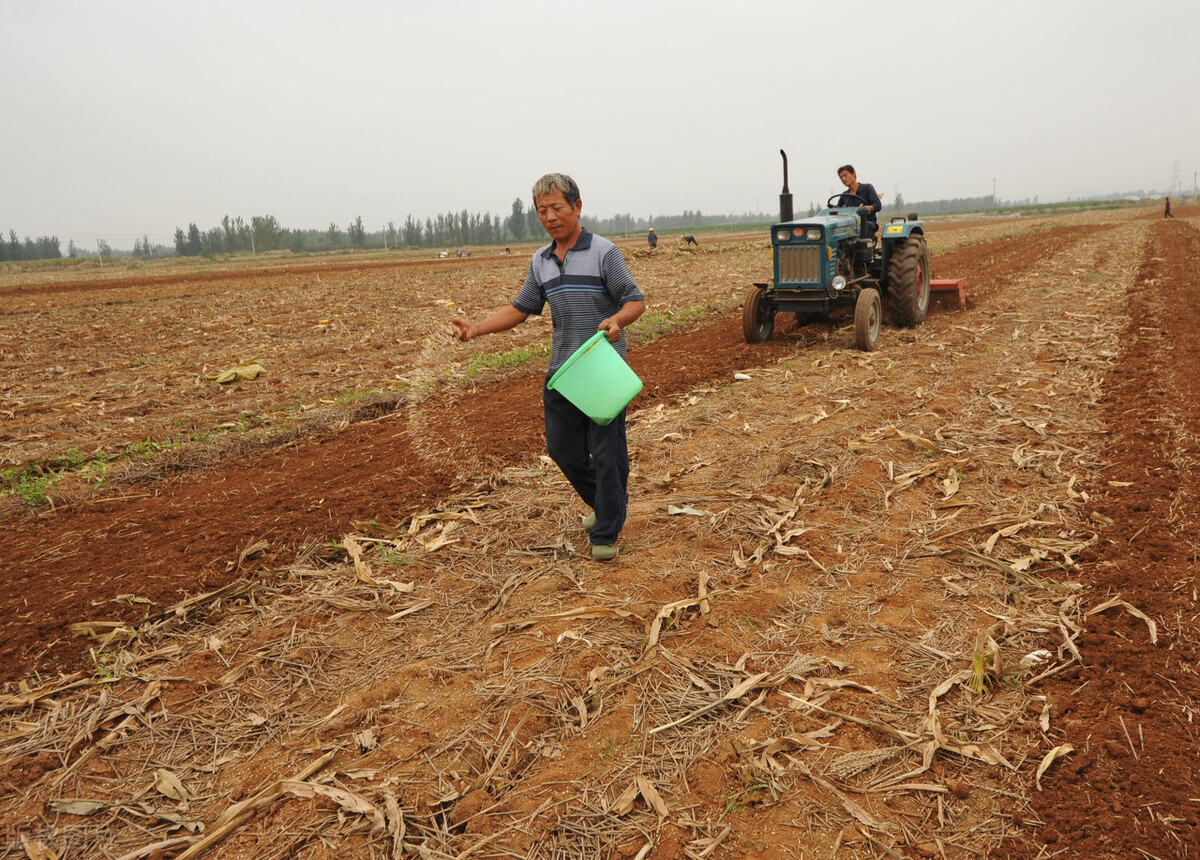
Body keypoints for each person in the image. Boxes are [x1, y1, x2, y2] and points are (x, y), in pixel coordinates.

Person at [448, 173, 646, 561]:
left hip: (601, 366)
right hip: (562, 369)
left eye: (557, 207)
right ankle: (610, 505)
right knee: (562, 449)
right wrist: (477, 328)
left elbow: (635, 300)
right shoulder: (540, 261)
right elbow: (521, 309)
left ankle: (606, 531)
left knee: (606, 453)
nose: (550, 216)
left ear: (577, 206)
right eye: (542, 210)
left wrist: (617, 321)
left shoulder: (605, 252)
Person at [837, 164, 882, 233]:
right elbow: (837, 210)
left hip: (867, 223)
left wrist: (866, 208)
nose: (843, 179)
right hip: (851, 225)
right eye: (841, 177)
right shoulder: (844, 195)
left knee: (866, 226)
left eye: (845, 175)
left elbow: (877, 205)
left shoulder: (867, 188)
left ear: (853, 174)